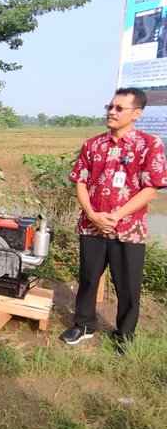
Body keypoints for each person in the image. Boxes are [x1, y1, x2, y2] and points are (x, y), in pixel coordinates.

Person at [59, 87, 167, 354]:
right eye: (110, 106)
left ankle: (125, 334)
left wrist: (117, 216)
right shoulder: (93, 145)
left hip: (128, 229)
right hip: (91, 226)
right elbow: (80, 182)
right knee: (88, 279)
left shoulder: (149, 145)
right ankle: (83, 325)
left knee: (127, 285)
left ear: (137, 114)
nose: (111, 112)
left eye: (119, 108)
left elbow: (151, 187)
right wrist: (93, 215)